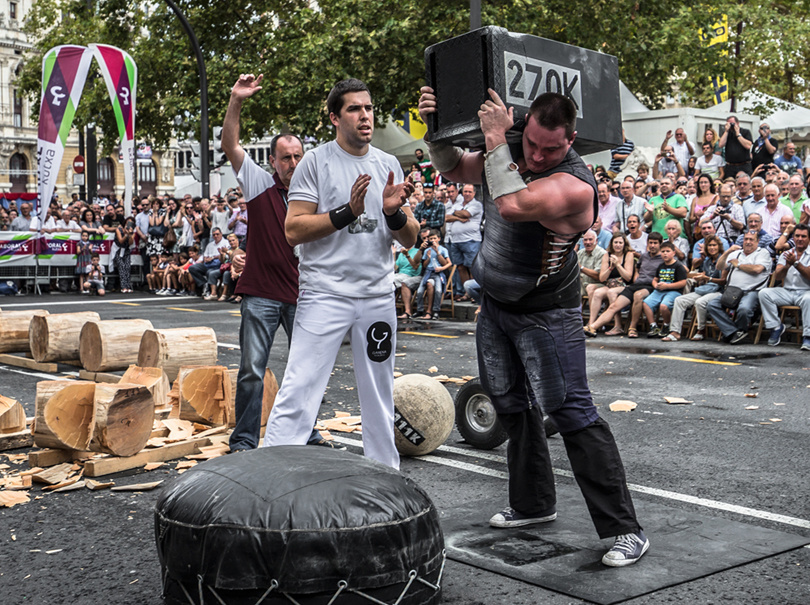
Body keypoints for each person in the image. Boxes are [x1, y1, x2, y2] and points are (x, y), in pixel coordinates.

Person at [419, 86, 649, 567]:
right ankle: (532, 504)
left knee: (571, 412)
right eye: (534, 146)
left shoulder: (575, 185)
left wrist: (499, 140)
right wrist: (436, 126)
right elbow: (455, 167)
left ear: (573, 141)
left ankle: (625, 530)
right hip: (497, 306)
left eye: (553, 148)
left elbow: (512, 206)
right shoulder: (511, 147)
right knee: (510, 405)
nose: (540, 155)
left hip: (548, 313)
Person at [263, 78, 417, 470]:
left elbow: (411, 237)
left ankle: (386, 477)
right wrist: (347, 211)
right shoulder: (315, 162)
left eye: (368, 107)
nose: (365, 115)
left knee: (379, 394)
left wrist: (391, 213)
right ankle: (272, 476)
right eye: (354, 108)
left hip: (376, 297)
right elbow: (293, 228)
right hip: (324, 294)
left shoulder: (387, 164)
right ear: (335, 117)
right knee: (300, 388)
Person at [222, 74, 343, 453]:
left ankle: (306, 433)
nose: (292, 162)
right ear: (272, 161)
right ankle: (243, 440)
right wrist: (236, 100)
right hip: (261, 292)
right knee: (251, 372)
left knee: (306, 373)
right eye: (285, 157)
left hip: (305, 293)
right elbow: (230, 144)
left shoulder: (318, 192)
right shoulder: (259, 184)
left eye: (297, 156)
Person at [586, 232, 664, 338]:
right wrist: (636, 276)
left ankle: (632, 328)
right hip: (636, 285)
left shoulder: (663, 258)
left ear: (661, 244)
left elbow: (674, 267)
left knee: (638, 295)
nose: (652, 245)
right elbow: (638, 268)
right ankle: (592, 327)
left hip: (649, 286)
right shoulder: (644, 256)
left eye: (655, 243)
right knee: (613, 306)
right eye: (650, 243)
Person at [706, 231, 772, 344]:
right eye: (746, 239)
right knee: (712, 305)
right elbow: (719, 266)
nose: (748, 242)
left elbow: (757, 269)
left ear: (758, 241)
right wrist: (728, 252)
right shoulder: (736, 253)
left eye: (751, 239)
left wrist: (739, 265)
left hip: (752, 291)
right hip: (733, 292)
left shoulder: (763, 253)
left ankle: (738, 330)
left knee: (744, 309)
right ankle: (734, 332)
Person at [662, 235, 727, 341]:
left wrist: (707, 278)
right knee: (679, 300)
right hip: (705, 289)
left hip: (719, 291)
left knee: (700, 302)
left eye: (714, 245)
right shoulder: (706, 261)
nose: (712, 248)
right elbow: (704, 275)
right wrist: (700, 278)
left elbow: (723, 281)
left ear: (719, 246)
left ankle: (701, 330)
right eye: (709, 245)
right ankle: (675, 332)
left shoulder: (723, 260)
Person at [759, 223, 810, 350]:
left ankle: (808, 336)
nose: (799, 239)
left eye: (803, 236)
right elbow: (778, 277)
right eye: (797, 236)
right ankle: (776, 326)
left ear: (809, 238)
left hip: (806, 291)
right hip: (787, 291)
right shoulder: (786, 253)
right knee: (764, 293)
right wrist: (787, 265)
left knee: (809, 299)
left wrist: (796, 263)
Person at [586, 233, 634, 335]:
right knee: (597, 293)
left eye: (620, 242)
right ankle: (592, 324)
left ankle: (618, 326)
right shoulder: (606, 255)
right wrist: (610, 268)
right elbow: (602, 278)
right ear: (611, 244)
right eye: (615, 242)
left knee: (612, 292)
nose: (618, 245)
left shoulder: (628, 255)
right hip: (609, 284)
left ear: (624, 244)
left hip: (624, 286)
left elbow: (628, 277)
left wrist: (618, 265)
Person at [642, 242, 688, 337]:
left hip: (673, 291)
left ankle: (666, 325)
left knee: (664, 306)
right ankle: (653, 326)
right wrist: (655, 285)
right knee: (646, 303)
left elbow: (683, 282)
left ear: (674, 253)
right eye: (663, 251)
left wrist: (667, 286)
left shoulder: (678, 266)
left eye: (668, 251)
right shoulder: (661, 266)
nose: (665, 254)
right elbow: (655, 279)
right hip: (660, 290)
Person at [415, 229, 451, 320]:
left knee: (438, 290)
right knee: (419, 291)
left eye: (434, 238)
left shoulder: (443, 249)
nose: (433, 240)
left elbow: (448, 263)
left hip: (438, 272)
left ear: (438, 239)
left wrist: (438, 253)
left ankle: (436, 311)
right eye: (431, 239)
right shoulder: (428, 250)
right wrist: (428, 258)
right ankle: (419, 310)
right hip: (428, 271)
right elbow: (424, 265)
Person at [577, 229, 606, 297]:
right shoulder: (580, 253)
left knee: (589, 287)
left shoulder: (602, 254)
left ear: (596, 241)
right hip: (581, 284)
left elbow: (598, 276)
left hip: (597, 285)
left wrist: (581, 268)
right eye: (585, 240)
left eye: (590, 239)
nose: (587, 242)